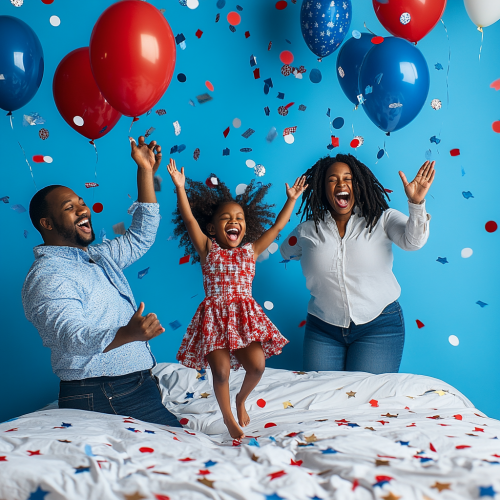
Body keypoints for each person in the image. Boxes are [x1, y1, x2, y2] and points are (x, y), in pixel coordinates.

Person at [22, 136, 181, 427]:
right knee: (188, 462)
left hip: (132, 388)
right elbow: (70, 336)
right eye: (70, 207)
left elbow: (141, 236)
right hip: (105, 393)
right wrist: (126, 333)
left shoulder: (97, 256)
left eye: (82, 203)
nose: (83, 210)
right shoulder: (48, 275)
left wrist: (145, 171)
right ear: (47, 224)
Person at [167, 160, 307, 439]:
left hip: (244, 316)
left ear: (246, 226)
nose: (234, 222)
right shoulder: (208, 249)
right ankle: (229, 417)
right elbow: (189, 219)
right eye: (226, 218)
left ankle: (241, 399)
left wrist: (290, 200)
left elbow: (278, 227)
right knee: (220, 371)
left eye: (239, 218)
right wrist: (180, 189)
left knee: (257, 365)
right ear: (212, 228)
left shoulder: (251, 251)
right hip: (215, 317)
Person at [280, 154, 435, 374]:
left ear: (359, 185)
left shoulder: (383, 219)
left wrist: (416, 204)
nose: (341, 184)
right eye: (332, 180)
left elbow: (413, 242)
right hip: (323, 329)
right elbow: (286, 251)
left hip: (379, 326)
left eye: (348, 178)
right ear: (323, 188)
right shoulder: (307, 230)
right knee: (321, 401)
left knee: (365, 401)